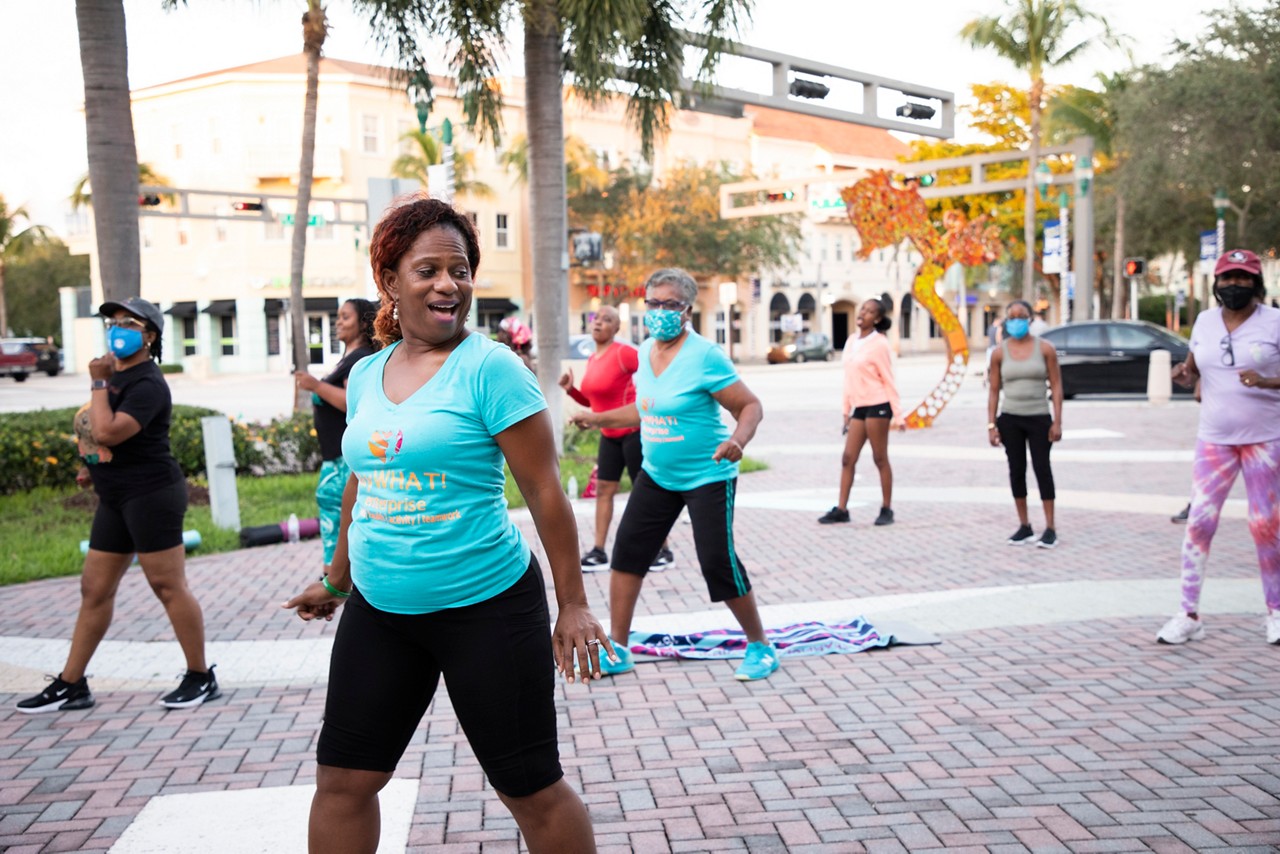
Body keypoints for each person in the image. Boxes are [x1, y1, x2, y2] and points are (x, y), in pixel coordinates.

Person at [282, 198, 609, 853]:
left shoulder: (490, 369)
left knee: (528, 785)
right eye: (427, 268)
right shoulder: (370, 372)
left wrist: (573, 604)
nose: (447, 284)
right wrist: (336, 578)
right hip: (381, 611)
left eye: (458, 270)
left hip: (485, 609)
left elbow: (545, 492)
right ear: (390, 281)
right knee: (343, 781)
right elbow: (360, 479)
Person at [570, 268, 779, 682]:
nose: (660, 311)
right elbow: (646, 409)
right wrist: (598, 419)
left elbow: (750, 406)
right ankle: (620, 648)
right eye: (653, 303)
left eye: (670, 304)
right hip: (658, 475)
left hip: (708, 474)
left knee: (717, 562)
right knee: (627, 554)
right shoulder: (646, 351)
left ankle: (760, 646)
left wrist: (739, 439)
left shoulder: (705, 356)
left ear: (686, 310)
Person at [16, 298, 219, 713]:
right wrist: (92, 467)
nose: (117, 328)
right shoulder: (114, 377)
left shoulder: (147, 383)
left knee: (167, 585)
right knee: (94, 589)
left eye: (129, 322)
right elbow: (98, 438)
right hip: (115, 497)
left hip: (152, 495)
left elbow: (108, 431)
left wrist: (95, 383)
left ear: (150, 336)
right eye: (112, 321)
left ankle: (201, 675)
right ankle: (72, 683)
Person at [1160, 248, 1280, 645]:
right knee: (1199, 523)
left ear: (1256, 283)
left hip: (1265, 438)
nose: (1234, 285)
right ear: (1216, 283)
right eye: (1227, 278)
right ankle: (1189, 615)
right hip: (1214, 440)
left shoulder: (1274, 323)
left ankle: (1275, 612)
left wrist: (1266, 382)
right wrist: (1183, 374)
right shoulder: (1205, 321)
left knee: (1265, 525)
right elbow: (1194, 368)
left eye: (1242, 278)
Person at [559, 306, 673, 571]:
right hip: (609, 436)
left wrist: (654, 399)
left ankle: (663, 550)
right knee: (603, 492)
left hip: (633, 434)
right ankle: (598, 551)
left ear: (616, 329)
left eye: (607, 320)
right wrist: (571, 391)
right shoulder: (593, 359)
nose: (599, 323)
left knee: (644, 494)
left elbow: (654, 368)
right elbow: (596, 401)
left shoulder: (623, 353)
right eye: (596, 318)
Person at [295, 298, 381, 567]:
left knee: (344, 527)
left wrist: (315, 386)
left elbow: (350, 402)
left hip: (347, 462)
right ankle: (334, 584)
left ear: (363, 322)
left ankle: (336, 584)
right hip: (334, 458)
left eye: (345, 317)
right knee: (334, 527)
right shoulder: (348, 359)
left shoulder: (360, 358)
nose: (338, 322)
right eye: (338, 317)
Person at [819, 296, 905, 526]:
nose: (862, 313)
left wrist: (898, 414)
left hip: (878, 405)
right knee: (848, 458)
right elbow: (849, 378)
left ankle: (887, 509)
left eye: (868, 311)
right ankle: (841, 509)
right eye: (862, 309)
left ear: (876, 319)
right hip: (859, 407)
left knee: (879, 458)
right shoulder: (851, 341)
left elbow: (888, 379)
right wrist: (845, 410)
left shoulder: (880, 344)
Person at [987, 299, 1064, 549]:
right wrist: (991, 425)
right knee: (1016, 470)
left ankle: (1050, 527)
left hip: (1039, 416)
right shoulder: (1000, 352)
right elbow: (994, 390)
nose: (1016, 321)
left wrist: (1058, 421)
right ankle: (1024, 525)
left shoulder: (1045, 349)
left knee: (1042, 469)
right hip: (1010, 417)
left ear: (1030, 319)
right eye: (1012, 317)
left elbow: (1056, 386)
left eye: (1021, 316)